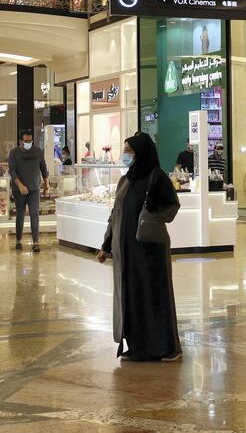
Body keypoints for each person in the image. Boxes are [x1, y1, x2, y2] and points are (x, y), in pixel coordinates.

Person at [97, 132, 182, 362]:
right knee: (131, 297)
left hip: (149, 252)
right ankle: (137, 347)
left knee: (153, 295)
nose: (125, 155)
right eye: (125, 150)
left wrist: (152, 216)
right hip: (127, 253)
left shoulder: (157, 177)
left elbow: (172, 206)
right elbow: (115, 215)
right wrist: (106, 244)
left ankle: (166, 348)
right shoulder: (125, 181)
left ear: (141, 153)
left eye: (129, 151)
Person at [8, 130, 49, 253]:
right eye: (26, 141)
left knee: (34, 214)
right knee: (20, 214)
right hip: (18, 189)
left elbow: (43, 168)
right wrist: (20, 185)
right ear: (21, 141)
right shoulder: (14, 153)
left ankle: (35, 242)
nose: (28, 143)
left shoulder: (38, 151)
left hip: (34, 188)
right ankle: (18, 241)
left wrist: (46, 185)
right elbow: (12, 171)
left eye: (30, 141)